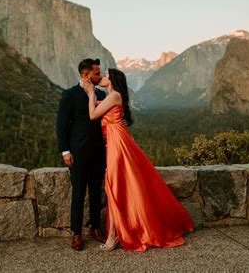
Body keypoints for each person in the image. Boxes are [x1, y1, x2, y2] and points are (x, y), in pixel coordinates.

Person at [81, 68, 195, 252]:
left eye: (106, 76)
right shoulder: (113, 96)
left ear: (112, 81)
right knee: (115, 187)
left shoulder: (114, 95)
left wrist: (91, 93)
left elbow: (93, 115)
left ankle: (113, 236)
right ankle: (118, 232)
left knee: (114, 187)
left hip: (117, 143)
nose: (102, 77)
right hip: (114, 142)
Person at [56, 58, 107, 251]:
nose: (99, 75)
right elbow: (61, 125)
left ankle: (95, 228)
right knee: (78, 192)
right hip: (77, 153)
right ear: (86, 75)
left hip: (98, 152)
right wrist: (65, 151)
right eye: (96, 73)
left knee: (96, 192)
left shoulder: (101, 93)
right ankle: (76, 233)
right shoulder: (70, 95)